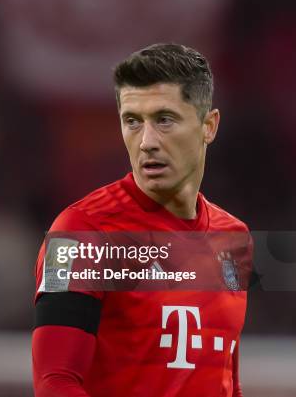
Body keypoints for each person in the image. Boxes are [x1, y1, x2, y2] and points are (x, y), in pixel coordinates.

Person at [32, 43, 252, 397]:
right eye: (132, 121)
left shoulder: (233, 239)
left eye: (164, 120)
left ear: (208, 126)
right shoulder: (78, 234)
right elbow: (54, 383)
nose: (147, 141)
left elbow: (225, 380)